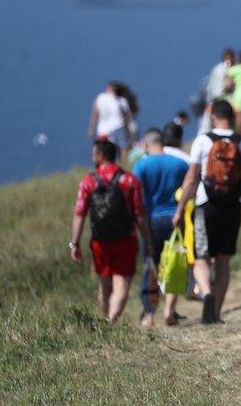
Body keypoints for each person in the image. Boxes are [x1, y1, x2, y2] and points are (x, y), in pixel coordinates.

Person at [173, 100, 241, 324]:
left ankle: (205, 292)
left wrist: (179, 209)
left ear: (213, 116)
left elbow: (191, 178)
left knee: (202, 257)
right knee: (223, 260)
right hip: (233, 205)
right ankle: (215, 313)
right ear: (232, 117)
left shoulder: (203, 141)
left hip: (207, 205)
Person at [69, 139, 152, 323]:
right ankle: (111, 322)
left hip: (100, 242)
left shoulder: (88, 182)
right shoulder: (130, 180)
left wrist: (74, 243)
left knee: (104, 286)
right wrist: (147, 238)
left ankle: (106, 321)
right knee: (121, 285)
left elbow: (79, 213)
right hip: (126, 240)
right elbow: (139, 213)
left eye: (93, 154)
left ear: (99, 155)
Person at [132, 128, 190, 326]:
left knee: (151, 265)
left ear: (147, 145)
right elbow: (189, 187)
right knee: (175, 263)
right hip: (175, 219)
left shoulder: (141, 165)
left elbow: (135, 195)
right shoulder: (180, 164)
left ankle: (149, 313)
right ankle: (170, 309)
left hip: (151, 221)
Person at [88, 81, 133, 159]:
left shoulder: (104, 98)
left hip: (110, 128)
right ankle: (117, 162)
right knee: (118, 148)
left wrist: (91, 129)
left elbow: (95, 114)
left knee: (115, 148)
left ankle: (119, 162)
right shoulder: (104, 98)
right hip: (112, 128)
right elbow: (95, 114)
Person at [199, 49, 234, 134]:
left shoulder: (216, 68)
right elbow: (227, 85)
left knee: (208, 120)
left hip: (214, 98)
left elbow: (209, 86)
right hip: (221, 98)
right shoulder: (226, 68)